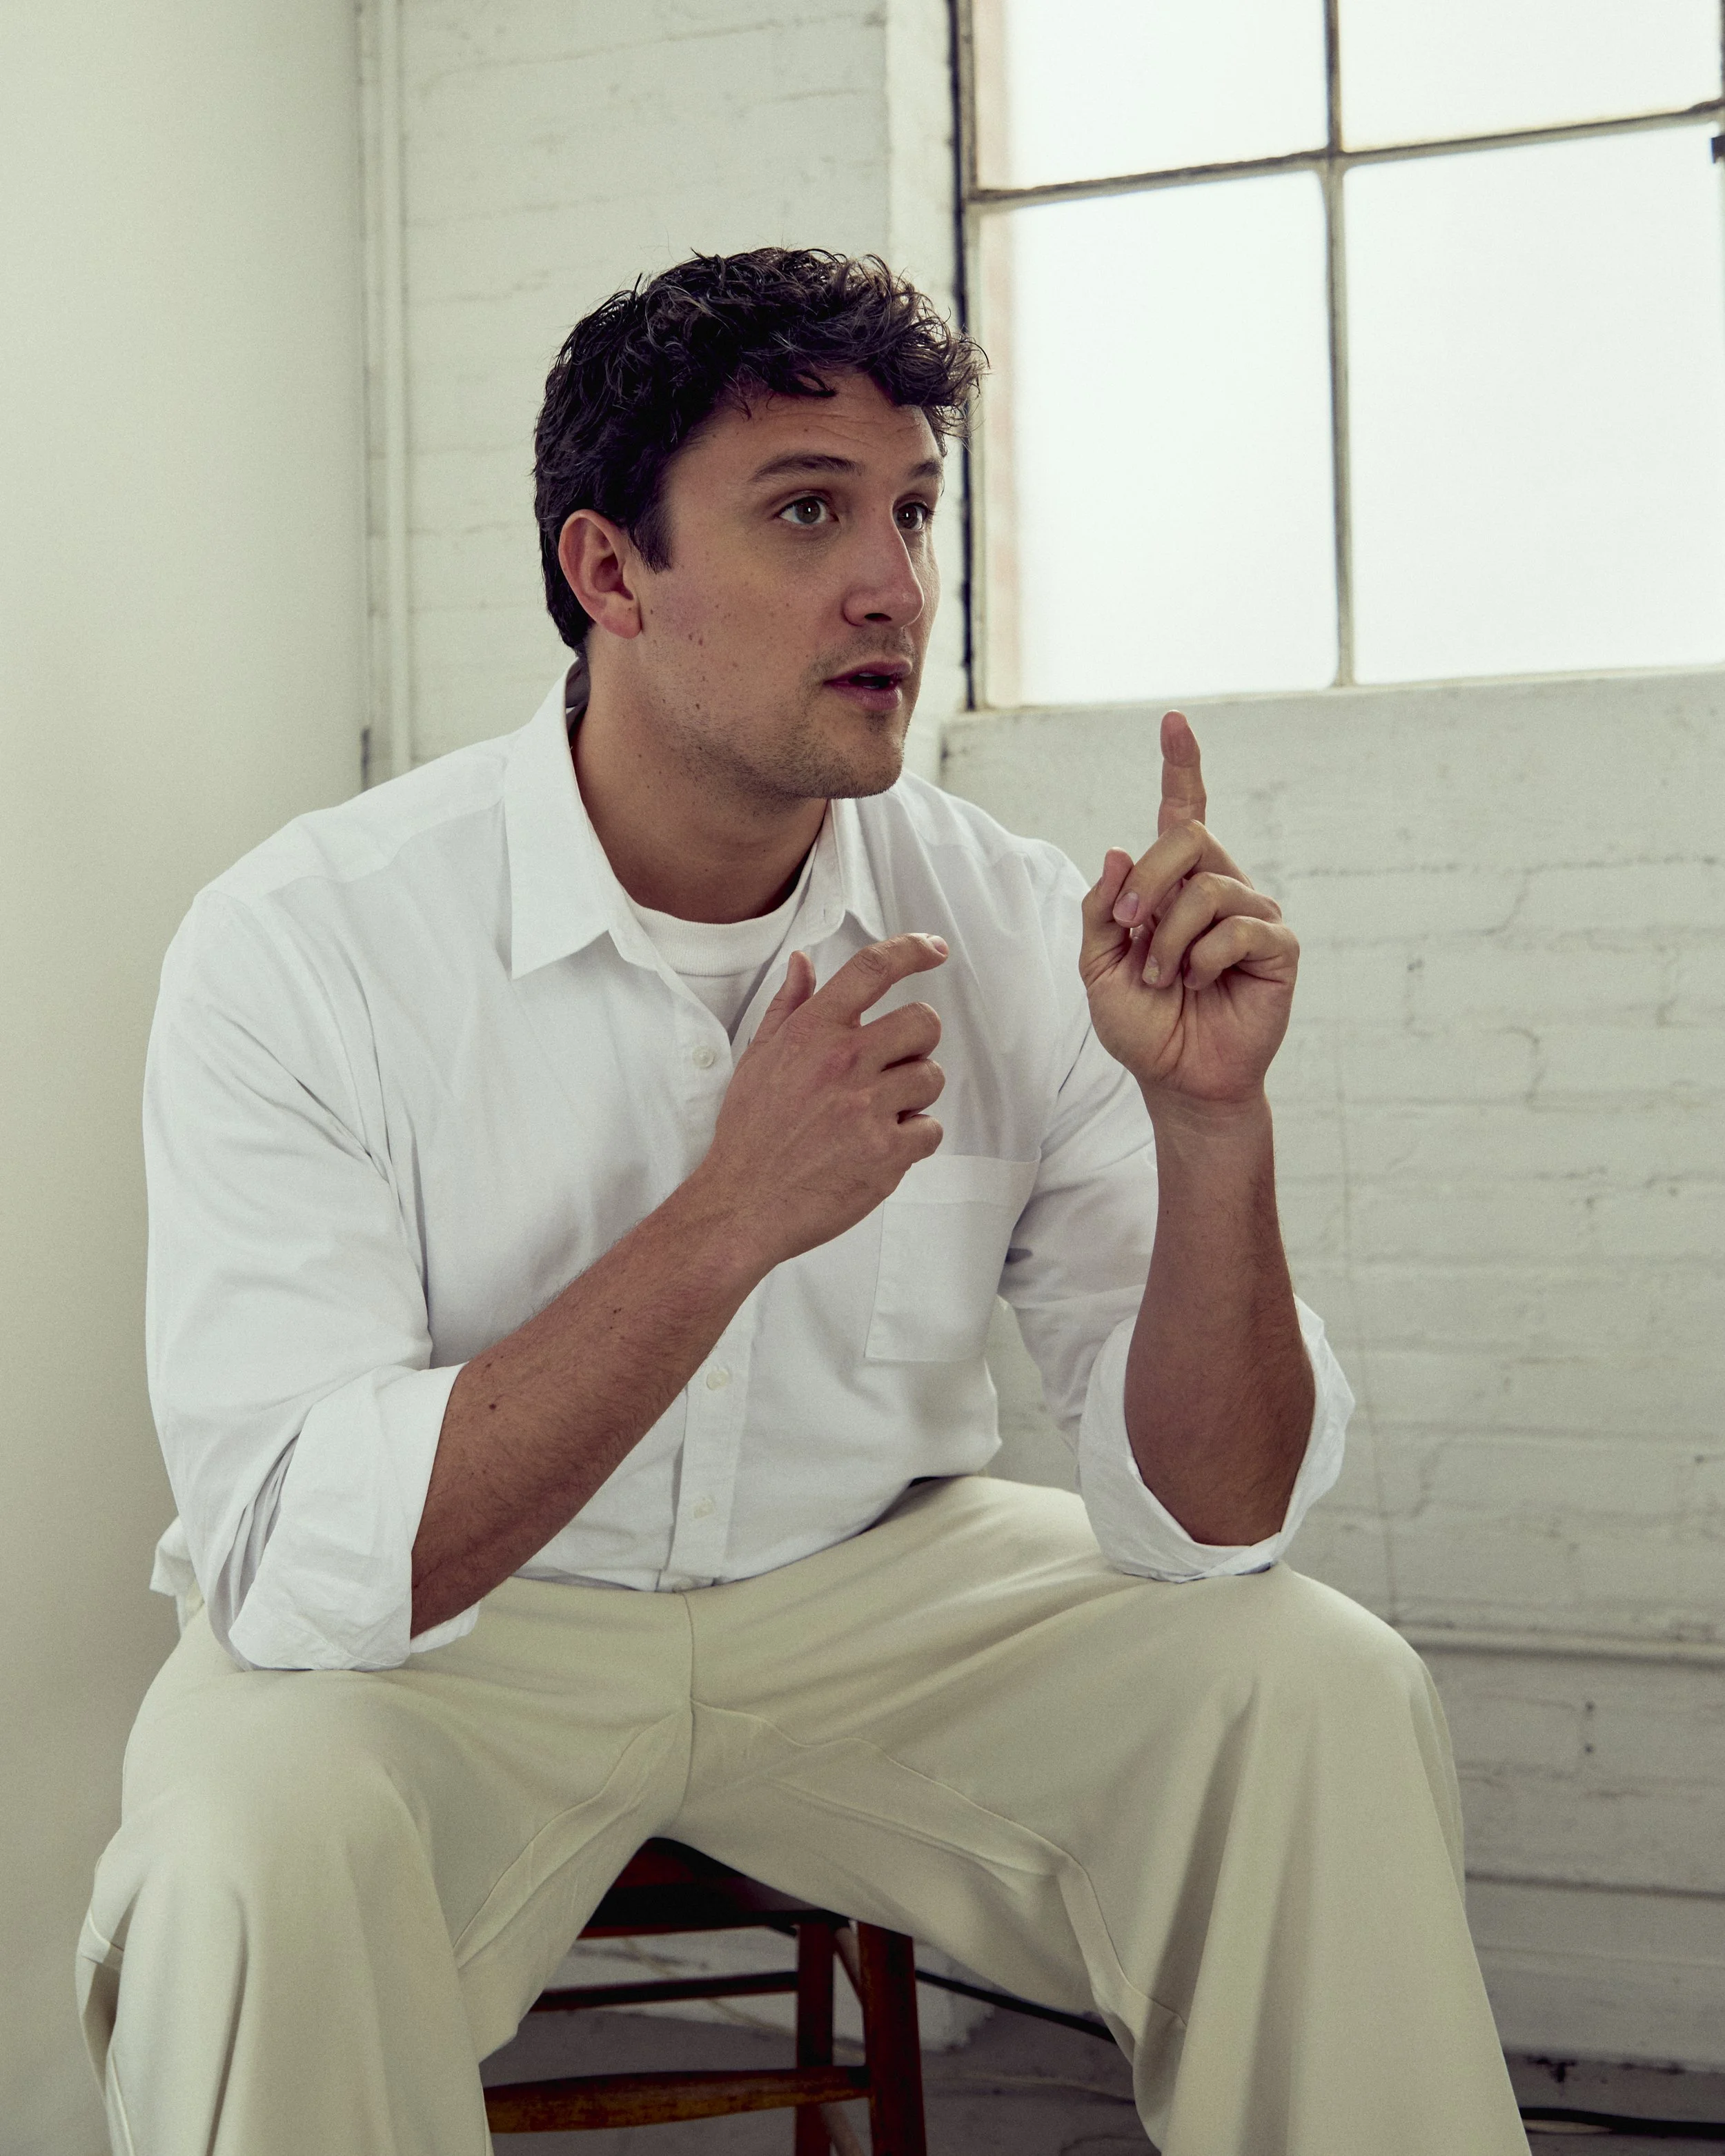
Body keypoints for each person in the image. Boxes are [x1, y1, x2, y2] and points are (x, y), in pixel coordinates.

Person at [78, 248, 1528, 2155]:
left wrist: (1210, 1131)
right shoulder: (308, 939)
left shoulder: (1005, 917)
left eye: (912, 513)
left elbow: (1213, 1518)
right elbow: (299, 1564)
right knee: (244, 1848)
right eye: (805, 513)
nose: (893, 586)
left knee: (1308, 1684)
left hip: (875, 1591)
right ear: (611, 573)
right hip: (470, 1643)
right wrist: (726, 1216)